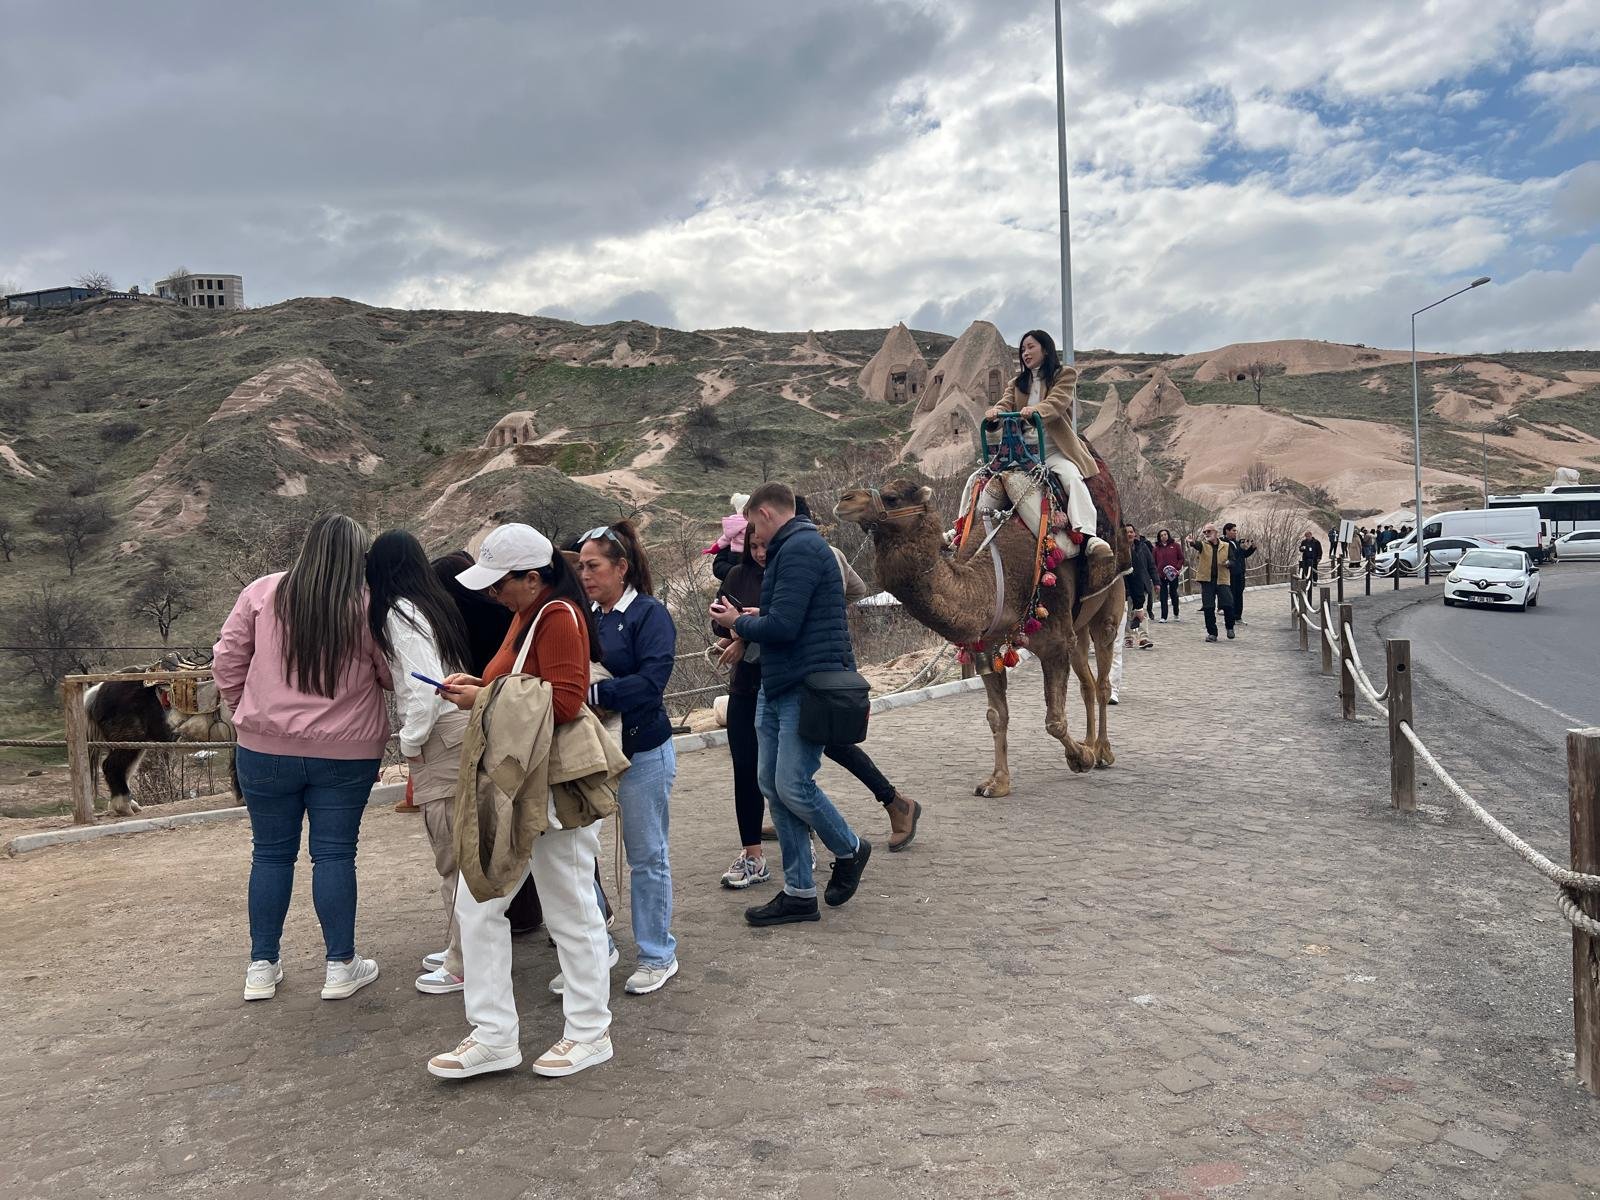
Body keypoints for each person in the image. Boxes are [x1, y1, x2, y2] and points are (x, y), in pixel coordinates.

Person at [426, 523, 614, 1080]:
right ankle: (493, 1034)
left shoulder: (557, 618)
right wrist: (481, 691)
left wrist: (481, 697)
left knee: (568, 906)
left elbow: (563, 702)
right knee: (478, 902)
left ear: (532, 578)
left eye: (498, 584)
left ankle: (587, 1030)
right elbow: (524, 692)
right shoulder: (528, 614)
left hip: (548, 785)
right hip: (517, 783)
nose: (491, 594)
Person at [213, 513, 392, 1004]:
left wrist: (243, 711)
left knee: (270, 853)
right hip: (346, 752)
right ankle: (340, 966)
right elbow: (390, 673)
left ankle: (261, 967)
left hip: (264, 748)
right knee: (334, 854)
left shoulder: (263, 592)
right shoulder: (368, 605)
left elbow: (227, 660)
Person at [711, 482, 871, 927]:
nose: (751, 536)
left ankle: (850, 847)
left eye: (751, 524)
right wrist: (748, 624)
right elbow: (787, 618)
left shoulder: (800, 549)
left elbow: (783, 625)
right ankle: (799, 891)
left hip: (804, 684)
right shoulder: (791, 548)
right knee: (772, 784)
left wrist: (736, 621)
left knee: (794, 784)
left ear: (762, 513)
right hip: (778, 685)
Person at [364, 531, 477, 995]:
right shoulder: (432, 603)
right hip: (461, 730)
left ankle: (461, 961)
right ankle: (461, 943)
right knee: (462, 846)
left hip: (442, 739)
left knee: (451, 850)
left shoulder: (398, 611)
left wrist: (410, 741)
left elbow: (424, 684)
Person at [573, 521, 680, 995]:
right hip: (595, 749)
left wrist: (597, 690)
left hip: (643, 749)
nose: (585, 575)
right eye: (580, 567)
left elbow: (652, 683)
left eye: (593, 565)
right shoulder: (590, 617)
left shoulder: (650, 616)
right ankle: (598, 943)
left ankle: (658, 954)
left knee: (646, 855)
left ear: (622, 568)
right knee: (576, 853)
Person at [433, 550, 547, 939]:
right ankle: (532, 913)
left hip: (513, 736)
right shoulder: (508, 617)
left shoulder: (518, 620)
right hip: (513, 732)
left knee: (519, 827)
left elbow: (535, 691)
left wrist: (478, 695)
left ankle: (529, 915)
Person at [958, 330, 1112, 562]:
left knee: (1071, 478)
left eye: (1030, 347)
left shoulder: (1064, 375)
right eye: (1022, 349)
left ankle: (1088, 535)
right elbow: (1004, 403)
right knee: (975, 480)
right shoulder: (1017, 384)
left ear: (1046, 349)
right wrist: (995, 414)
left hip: (1051, 449)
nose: (1025, 353)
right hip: (1020, 452)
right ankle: (960, 531)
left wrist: (1036, 411)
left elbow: (1057, 402)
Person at [714, 531, 771, 889]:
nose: (760, 552)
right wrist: (739, 631)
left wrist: (742, 632)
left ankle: (804, 840)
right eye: (753, 546)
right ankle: (752, 854)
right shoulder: (738, 575)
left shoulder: (788, 572)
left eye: (766, 545)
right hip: (744, 685)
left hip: (782, 685)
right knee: (745, 769)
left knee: (784, 772)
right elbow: (717, 619)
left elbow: (788, 624)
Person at [1187, 523, 1235, 642]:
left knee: (1228, 604)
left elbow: (1234, 561)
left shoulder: (1226, 546)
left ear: (1215, 532)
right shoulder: (1203, 545)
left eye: (1208, 531)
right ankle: (1212, 633)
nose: (1206, 534)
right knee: (1208, 607)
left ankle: (1230, 627)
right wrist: (1191, 542)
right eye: (1204, 532)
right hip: (1207, 580)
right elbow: (1196, 545)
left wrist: (1228, 563)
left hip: (1222, 579)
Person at [1123, 523, 1156, 650]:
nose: (1129, 534)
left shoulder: (1143, 547)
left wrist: (1156, 581)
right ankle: (1128, 638)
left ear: (1135, 533)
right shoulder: (1120, 550)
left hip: (1142, 584)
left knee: (1142, 611)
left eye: (1131, 531)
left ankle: (1143, 638)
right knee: (1127, 613)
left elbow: (1151, 565)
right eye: (1126, 532)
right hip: (1126, 587)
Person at [1220, 522, 1256, 625]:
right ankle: (1230, 618)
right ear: (1227, 531)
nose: (1235, 532)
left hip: (1240, 573)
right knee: (1230, 596)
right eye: (1233, 530)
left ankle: (1238, 616)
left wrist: (1252, 548)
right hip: (1229, 573)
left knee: (1239, 595)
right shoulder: (1222, 543)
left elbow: (1243, 555)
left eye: (1236, 531)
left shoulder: (1236, 543)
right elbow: (1230, 557)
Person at [1152, 529, 1185, 622]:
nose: (1163, 536)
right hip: (1161, 575)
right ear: (1159, 537)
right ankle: (1163, 617)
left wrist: (1177, 568)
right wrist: (1156, 572)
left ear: (1168, 535)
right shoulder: (1156, 549)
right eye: (1161, 535)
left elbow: (1181, 559)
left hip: (1173, 574)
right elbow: (1153, 562)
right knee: (1163, 595)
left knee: (1173, 593)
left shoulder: (1176, 546)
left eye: (1165, 534)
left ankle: (1176, 613)